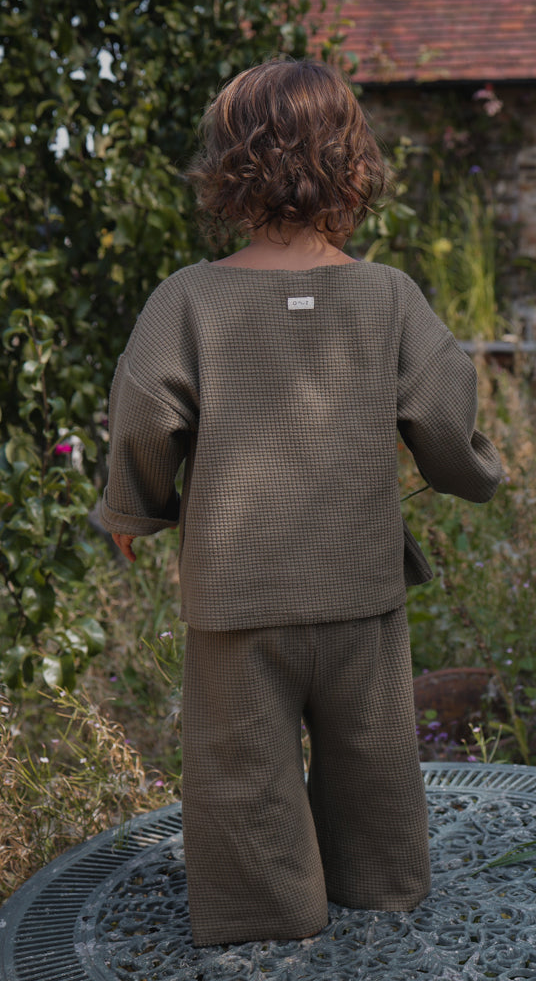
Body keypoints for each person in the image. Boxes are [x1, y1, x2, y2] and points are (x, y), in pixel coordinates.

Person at [101, 58, 502, 947]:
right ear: (352, 164)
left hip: (238, 604)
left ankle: (268, 918)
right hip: (358, 592)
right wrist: (472, 469)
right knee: (375, 768)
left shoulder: (190, 301)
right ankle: (380, 887)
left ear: (228, 165)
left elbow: (141, 421)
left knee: (242, 777)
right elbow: (443, 409)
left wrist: (136, 510)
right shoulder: (389, 297)